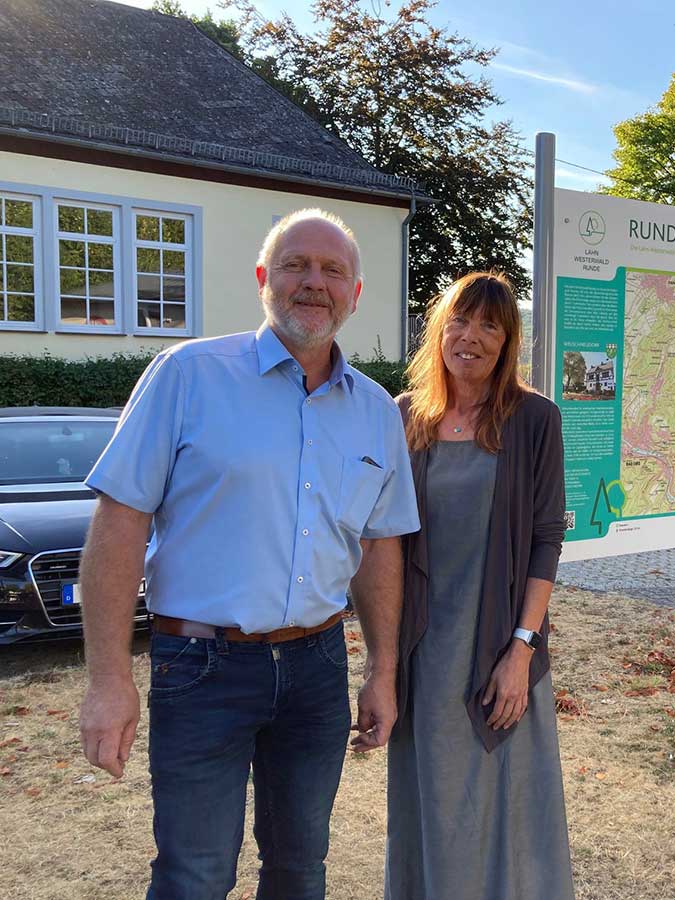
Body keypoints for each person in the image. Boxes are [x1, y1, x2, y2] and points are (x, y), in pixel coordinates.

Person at [78, 208, 420, 900]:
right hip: (200, 667)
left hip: (316, 669)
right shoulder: (187, 375)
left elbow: (379, 547)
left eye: (333, 270)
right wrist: (108, 680)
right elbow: (119, 525)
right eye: (296, 264)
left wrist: (382, 669)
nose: (313, 282)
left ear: (356, 294)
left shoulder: (377, 411)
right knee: (194, 876)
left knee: (300, 871)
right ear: (264, 279)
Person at [385, 271, 574, 900]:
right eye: (460, 320)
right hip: (424, 652)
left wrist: (521, 650)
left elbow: (548, 537)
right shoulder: (404, 420)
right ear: (439, 331)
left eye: (490, 324)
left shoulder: (534, 419)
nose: (471, 336)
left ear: (508, 340)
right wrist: (381, 664)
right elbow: (378, 540)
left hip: (500, 645)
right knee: (432, 803)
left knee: (507, 806)